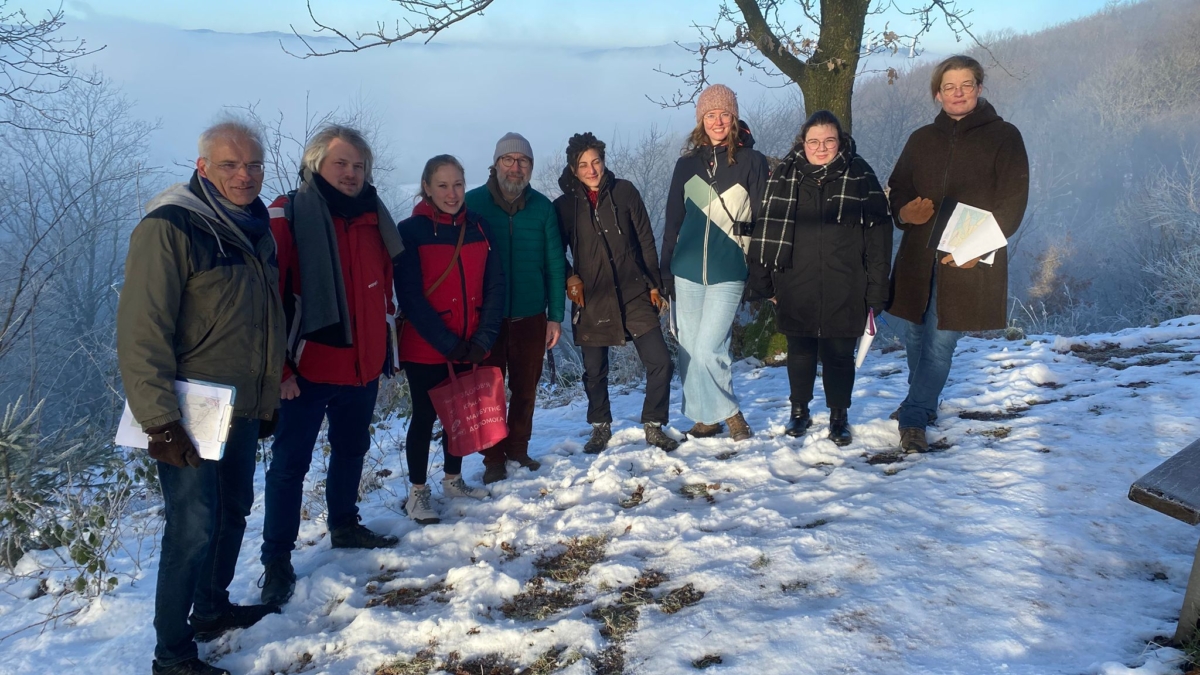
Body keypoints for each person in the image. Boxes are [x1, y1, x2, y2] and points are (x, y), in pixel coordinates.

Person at [117, 119, 285, 675]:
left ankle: (210, 609)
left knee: (233, 509)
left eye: (254, 164)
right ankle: (171, 654)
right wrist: (159, 421)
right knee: (192, 526)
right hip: (187, 411)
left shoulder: (254, 225)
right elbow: (142, 330)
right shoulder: (171, 227)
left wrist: (264, 400)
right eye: (231, 165)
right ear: (202, 167)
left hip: (237, 407)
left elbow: (261, 320)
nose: (245, 175)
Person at [258, 125, 404, 608]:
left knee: (351, 448)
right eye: (341, 163)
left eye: (359, 166)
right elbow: (272, 298)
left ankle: (344, 524)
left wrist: (385, 351)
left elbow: (384, 289)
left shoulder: (373, 218)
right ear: (315, 163)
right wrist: (279, 369)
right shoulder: (290, 214)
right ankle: (276, 559)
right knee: (289, 466)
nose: (351, 173)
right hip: (309, 367)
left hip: (362, 364)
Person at [887, 55, 1029, 452]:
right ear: (938, 93)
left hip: (967, 259)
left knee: (941, 342)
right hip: (918, 256)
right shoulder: (921, 139)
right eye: (949, 87)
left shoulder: (1005, 136)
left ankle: (914, 417)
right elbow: (897, 185)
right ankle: (924, 404)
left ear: (979, 88)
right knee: (915, 335)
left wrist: (976, 248)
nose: (958, 93)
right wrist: (903, 211)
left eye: (966, 84)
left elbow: (1013, 203)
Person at [749, 110, 893, 445]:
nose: (822, 147)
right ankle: (799, 411)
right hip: (795, 282)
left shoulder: (860, 175)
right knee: (799, 352)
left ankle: (838, 416)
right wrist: (766, 285)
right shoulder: (785, 176)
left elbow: (879, 239)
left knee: (839, 356)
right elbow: (764, 231)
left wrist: (876, 291)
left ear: (840, 142)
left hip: (847, 284)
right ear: (803, 143)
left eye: (829, 140)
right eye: (814, 141)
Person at [395, 155, 503, 524]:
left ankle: (453, 479)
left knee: (459, 413)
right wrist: (447, 343)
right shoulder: (410, 232)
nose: (452, 193)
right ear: (426, 187)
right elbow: (411, 297)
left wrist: (483, 336)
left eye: (457, 184)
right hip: (426, 346)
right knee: (425, 416)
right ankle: (417, 492)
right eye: (442, 185)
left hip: (470, 339)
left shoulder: (480, 227)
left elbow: (494, 286)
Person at [554, 132, 678, 455]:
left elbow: (646, 240)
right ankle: (600, 427)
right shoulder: (565, 206)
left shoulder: (624, 192)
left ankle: (653, 425)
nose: (591, 169)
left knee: (661, 361)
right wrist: (570, 277)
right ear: (573, 168)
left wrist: (655, 284)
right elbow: (554, 252)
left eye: (596, 161)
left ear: (604, 161)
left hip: (634, 291)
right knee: (595, 371)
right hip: (592, 298)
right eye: (583, 165)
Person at [660, 84, 768, 442]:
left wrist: (759, 268)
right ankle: (704, 417)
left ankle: (731, 413)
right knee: (689, 346)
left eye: (724, 114)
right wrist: (665, 268)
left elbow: (763, 216)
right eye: (710, 115)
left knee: (710, 346)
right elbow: (673, 219)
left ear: (734, 118)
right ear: (700, 120)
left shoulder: (752, 162)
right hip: (686, 268)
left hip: (729, 266)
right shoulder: (685, 165)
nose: (718, 121)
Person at [464, 133, 566, 484]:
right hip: (485, 318)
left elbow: (555, 264)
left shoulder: (542, 208)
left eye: (523, 161)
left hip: (530, 316)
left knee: (526, 386)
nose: (516, 167)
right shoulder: (472, 203)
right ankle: (492, 458)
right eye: (508, 159)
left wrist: (555, 315)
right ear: (495, 164)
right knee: (487, 390)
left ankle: (518, 449)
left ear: (530, 168)